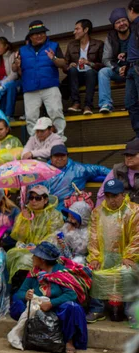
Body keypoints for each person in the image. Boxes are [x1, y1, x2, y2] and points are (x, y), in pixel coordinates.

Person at [11, 242, 89, 353]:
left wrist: (51, 303)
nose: (32, 257)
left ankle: (69, 340)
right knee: (16, 302)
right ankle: (28, 334)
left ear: (42, 259)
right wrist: (26, 295)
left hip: (56, 308)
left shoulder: (61, 272)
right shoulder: (34, 272)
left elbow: (71, 294)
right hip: (37, 307)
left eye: (35, 255)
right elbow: (20, 292)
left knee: (72, 307)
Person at [86, 179, 139, 323]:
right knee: (94, 270)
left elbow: (137, 237)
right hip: (105, 256)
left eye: (115, 196)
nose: (111, 200)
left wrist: (130, 256)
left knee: (127, 272)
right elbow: (94, 237)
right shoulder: (97, 212)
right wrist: (95, 257)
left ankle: (131, 311)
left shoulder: (134, 211)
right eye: (108, 196)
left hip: (128, 256)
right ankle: (97, 310)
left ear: (123, 195)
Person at [12, 20, 67, 136]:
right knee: (31, 117)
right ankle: (35, 142)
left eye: (42, 32)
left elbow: (63, 63)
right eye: (36, 34)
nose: (40, 35)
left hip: (50, 86)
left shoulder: (53, 46)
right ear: (30, 36)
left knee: (56, 112)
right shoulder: (22, 50)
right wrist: (16, 64)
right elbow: (14, 69)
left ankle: (59, 139)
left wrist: (54, 58)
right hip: (30, 88)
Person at [7, 185, 65, 290]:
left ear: (46, 200)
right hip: (27, 249)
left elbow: (53, 236)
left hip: (45, 252)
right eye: (31, 198)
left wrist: (38, 248)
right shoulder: (26, 213)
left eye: (38, 198)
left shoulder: (55, 215)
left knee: (24, 260)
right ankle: (19, 291)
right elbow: (19, 237)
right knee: (14, 257)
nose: (33, 201)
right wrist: (24, 220)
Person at [43, 144, 110, 209]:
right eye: (56, 156)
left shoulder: (78, 169)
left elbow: (98, 169)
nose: (60, 158)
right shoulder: (42, 171)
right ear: (51, 158)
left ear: (67, 156)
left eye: (62, 155)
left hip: (72, 212)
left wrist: (114, 174)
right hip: (48, 210)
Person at [64, 19, 104, 115]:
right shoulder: (71, 45)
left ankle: (88, 105)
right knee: (72, 70)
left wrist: (89, 63)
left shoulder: (98, 44)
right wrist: (69, 66)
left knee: (90, 72)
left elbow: (104, 64)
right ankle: (76, 103)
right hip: (77, 76)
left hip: (93, 76)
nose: (74, 32)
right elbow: (65, 65)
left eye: (77, 29)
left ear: (86, 30)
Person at [99, 8, 130, 114]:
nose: (121, 24)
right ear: (114, 26)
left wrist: (129, 67)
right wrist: (118, 68)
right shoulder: (111, 37)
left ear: (128, 21)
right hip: (118, 70)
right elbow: (106, 59)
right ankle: (106, 103)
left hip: (134, 69)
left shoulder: (136, 33)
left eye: (123, 20)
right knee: (103, 72)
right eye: (118, 22)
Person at [98, 138, 139, 204]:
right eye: (126, 154)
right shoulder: (117, 170)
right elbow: (102, 194)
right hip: (121, 211)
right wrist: (100, 213)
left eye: (132, 154)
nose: (128, 158)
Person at [0, 37, 19, 119]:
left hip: (12, 83)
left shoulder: (12, 55)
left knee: (8, 86)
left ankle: (8, 114)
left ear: (6, 46)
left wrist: (2, 83)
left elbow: (14, 74)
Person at [124, 1, 139, 138]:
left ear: (132, 9)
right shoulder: (134, 26)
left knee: (133, 103)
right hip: (131, 67)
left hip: (137, 66)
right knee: (130, 103)